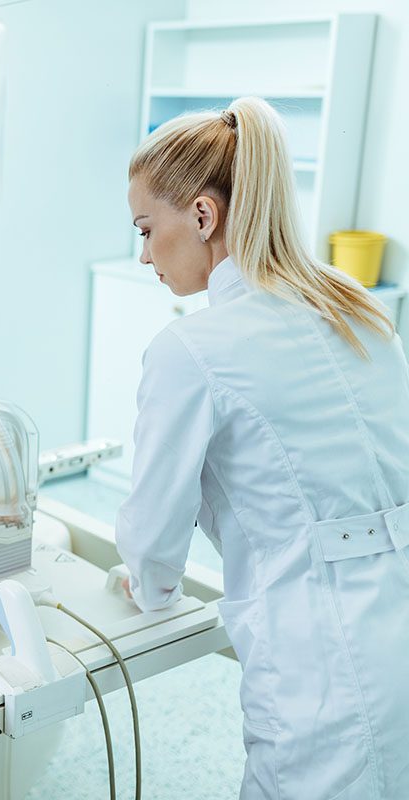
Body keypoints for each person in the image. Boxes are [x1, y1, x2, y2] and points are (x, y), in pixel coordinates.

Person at [117, 95, 409, 799]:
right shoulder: (352, 300)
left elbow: (153, 550)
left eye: (147, 228)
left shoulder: (191, 349)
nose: (143, 252)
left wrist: (145, 586)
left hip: (327, 659)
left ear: (204, 216)